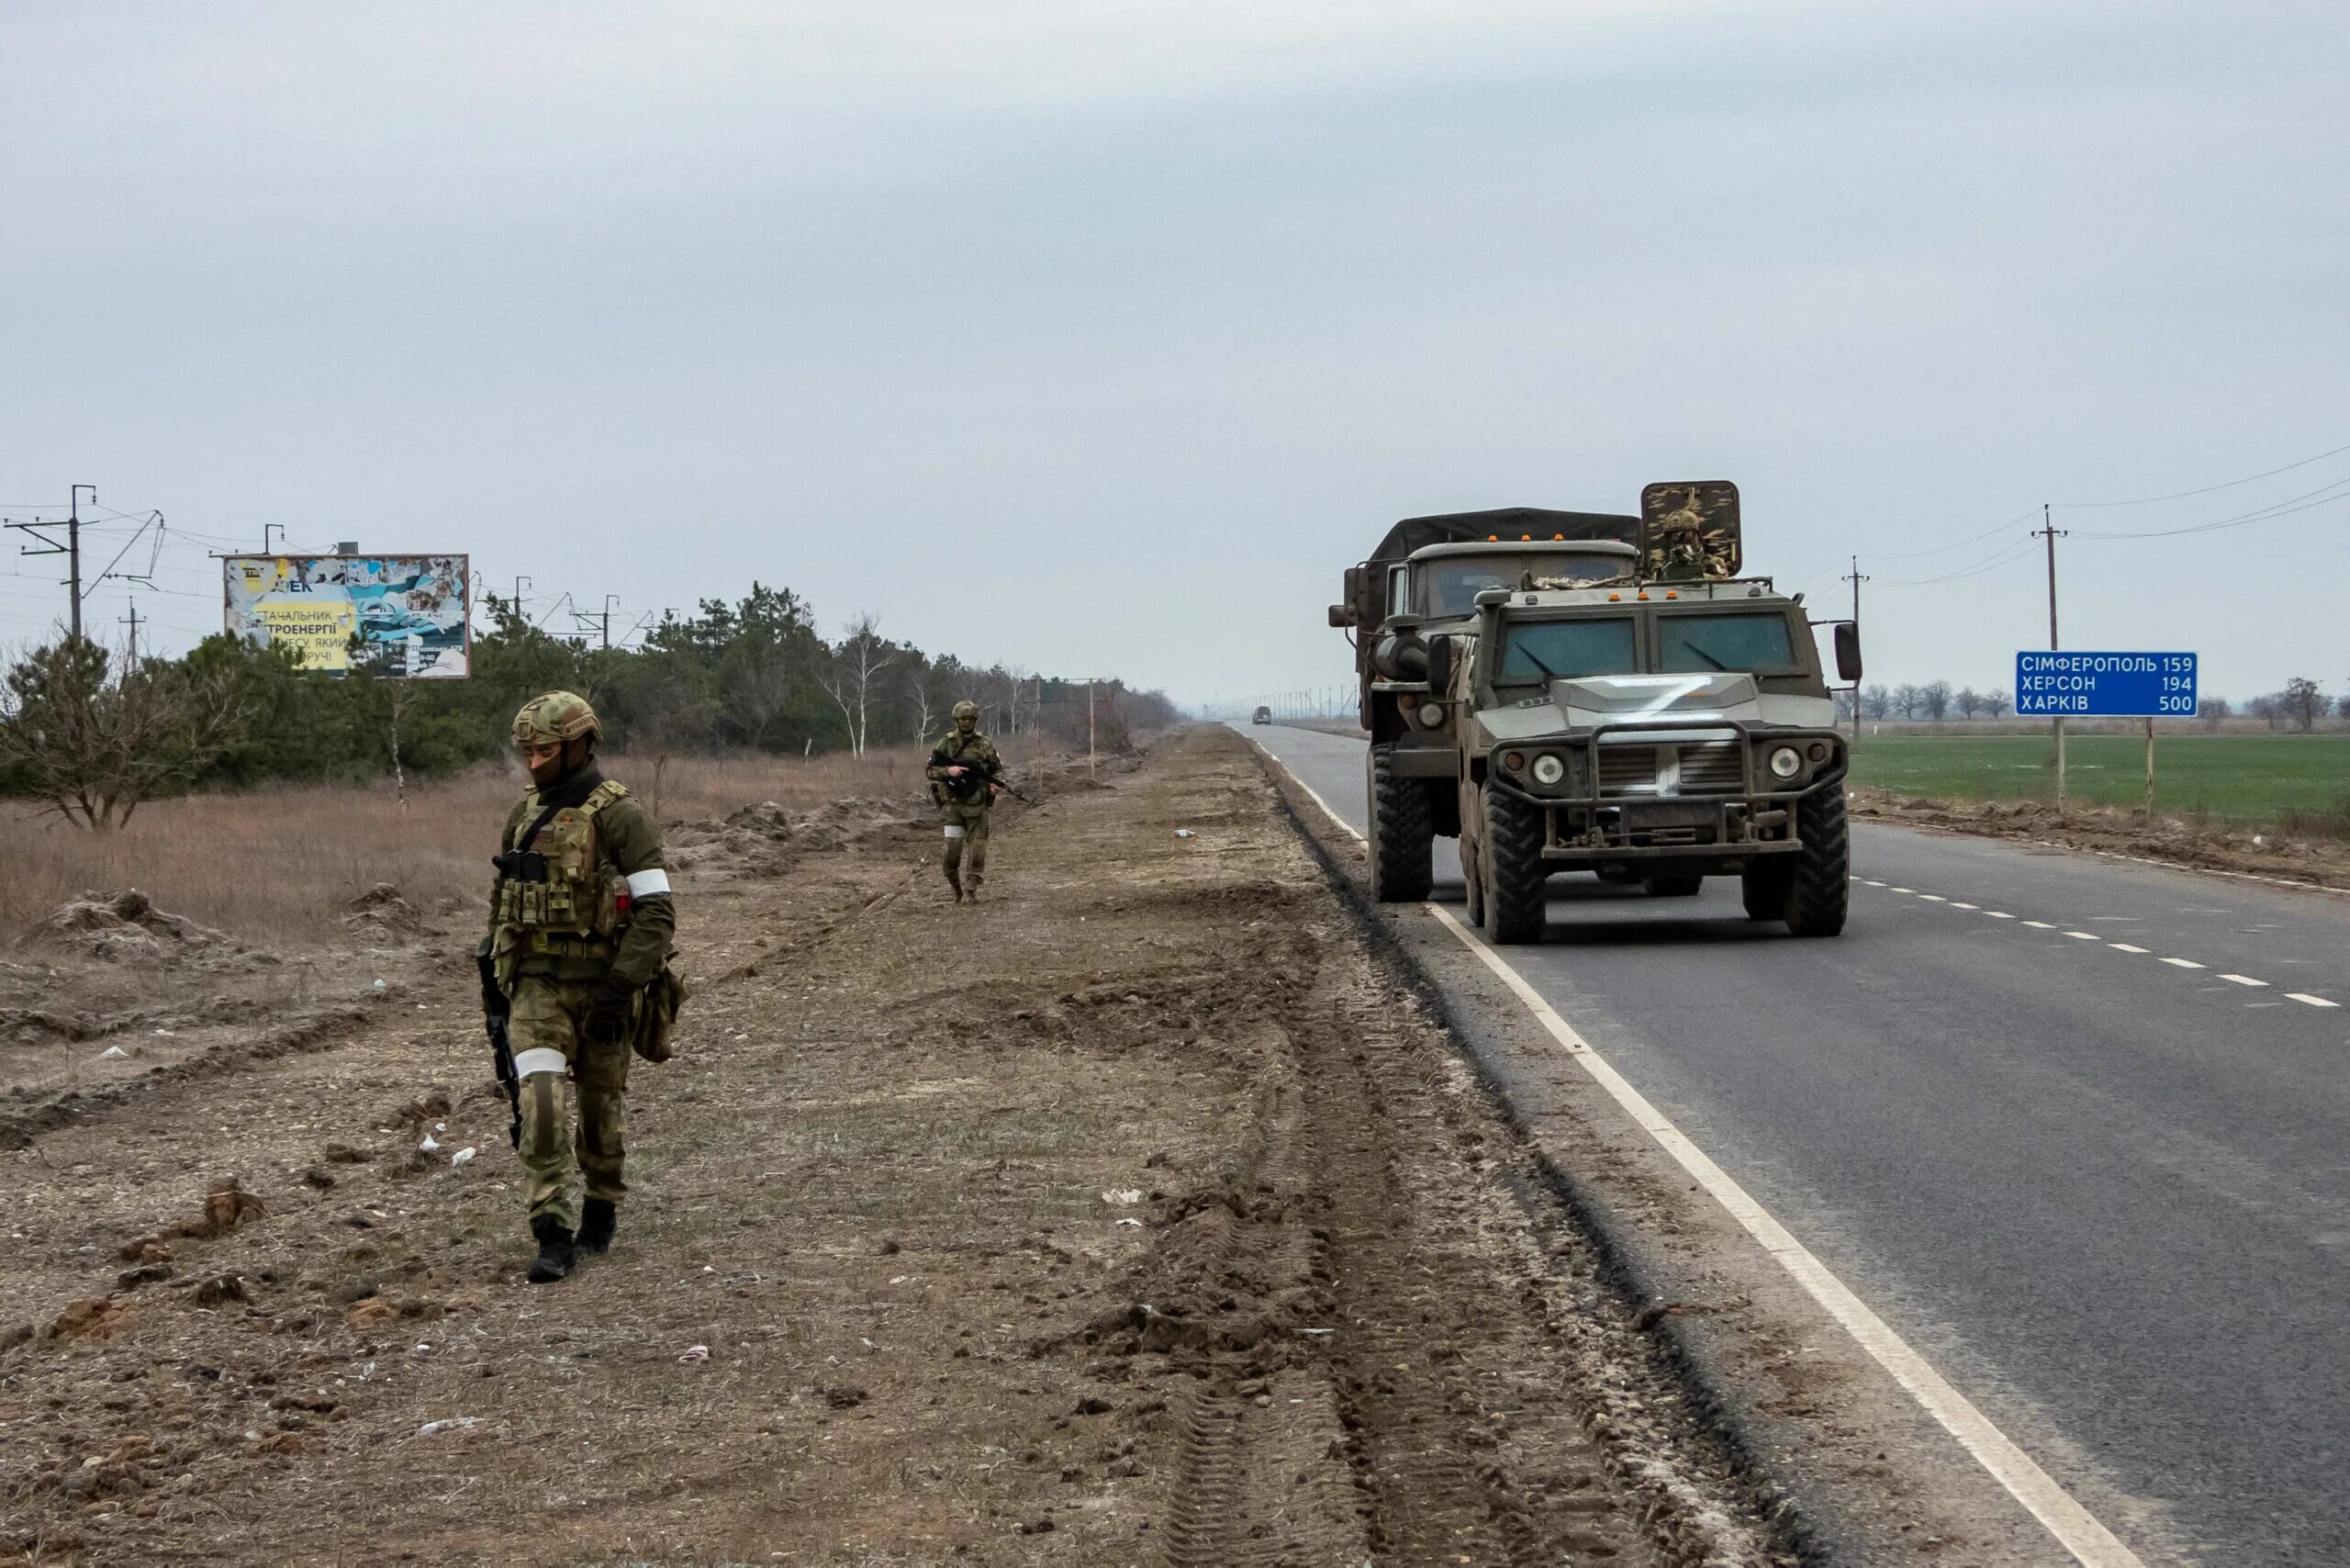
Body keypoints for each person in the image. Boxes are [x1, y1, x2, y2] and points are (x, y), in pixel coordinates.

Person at [478, 691, 676, 1283]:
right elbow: (504, 902)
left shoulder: (623, 817)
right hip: (538, 986)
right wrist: (493, 968)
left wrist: (622, 987)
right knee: (539, 1102)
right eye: (528, 752)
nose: (533, 762)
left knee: (598, 1111)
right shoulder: (523, 814)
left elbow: (658, 911)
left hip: (605, 987)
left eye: (544, 751)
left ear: (581, 745)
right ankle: (551, 1231)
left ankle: (602, 1204)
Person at [926, 700, 1003, 902]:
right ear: (956, 720)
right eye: (963, 719)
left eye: (970, 719)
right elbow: (930, 771)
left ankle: (971, 889)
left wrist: (996, 784)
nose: (967, 722)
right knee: (952, 851)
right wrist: (948, 771)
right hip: (953, 806)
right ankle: (956, 888)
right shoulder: (946, 743)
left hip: (977, 805)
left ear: (975, 720)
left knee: (978, 850)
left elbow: (998, 769)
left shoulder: (985, 743)